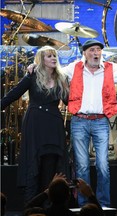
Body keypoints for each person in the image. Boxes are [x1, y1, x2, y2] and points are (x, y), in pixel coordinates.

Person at [1, 46, 70, 203]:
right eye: (49, 56)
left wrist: (67, 89)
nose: (53, 58)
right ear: (41, 59)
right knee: (33, 163)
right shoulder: (32, 76)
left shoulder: (62, 78)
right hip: (35, 124)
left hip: (54, 124)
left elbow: (68, 101)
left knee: (51, 164)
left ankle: (48, 205)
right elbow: (14, 94)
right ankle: (31, 207)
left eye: (54, 55)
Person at [62, 39, 117, 208]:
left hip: (100, 120)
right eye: (92, 50)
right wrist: (34, 67)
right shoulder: (73, 68)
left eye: (98, 50)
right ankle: (84, 205)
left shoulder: (112, 68)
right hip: (79, 120)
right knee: (82, 167)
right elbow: (54, 72)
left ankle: (102, 204)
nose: (96, 53)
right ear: (85, 53)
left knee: (103, 165)